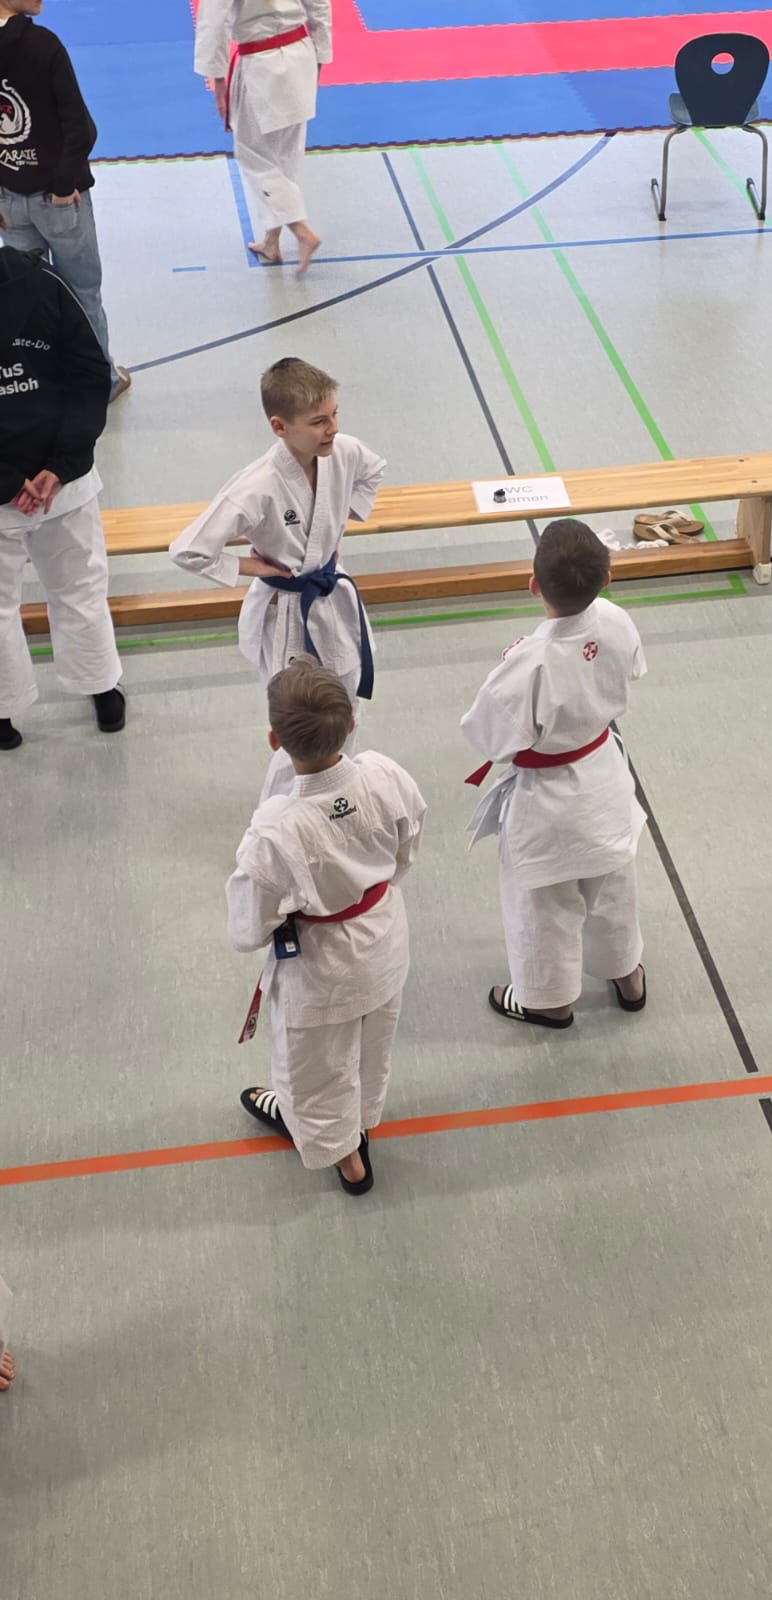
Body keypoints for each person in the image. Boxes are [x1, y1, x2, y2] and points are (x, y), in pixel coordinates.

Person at [227, 658, 426, 1195]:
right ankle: (359, 1122)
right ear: (352, 723)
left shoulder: (275, 828)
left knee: (314, 1067)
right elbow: (408, 847)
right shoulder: (385, 776)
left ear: (274, 740)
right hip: (384, 935)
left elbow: (248, 926)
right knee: (372, 1043)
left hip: (320, 968)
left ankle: (346, 1158)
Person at [461, 518, 647, 1029]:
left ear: (533, 585)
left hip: (547, 805)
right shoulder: (615, 619)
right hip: (604, 778)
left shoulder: (529, 661)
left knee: (544, 906)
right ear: (606, 579)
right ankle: (627, 976)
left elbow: (486, 737)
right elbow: (633, 669)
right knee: (612, 886)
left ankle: (549, 1001)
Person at [169, 356, 384, 797]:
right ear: (279, 426)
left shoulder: (344, 451)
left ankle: (336, 793)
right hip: (288, 609)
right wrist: (252, 566)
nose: (333, 428)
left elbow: (372, 471)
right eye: (318, 421)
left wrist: (334, 524)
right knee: (298, 722)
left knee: (344, 708)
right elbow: (188, 550)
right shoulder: (257, 484)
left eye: (335, 414)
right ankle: (286, 807)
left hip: (334, 594)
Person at [0, 245, 125, 750]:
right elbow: (91, 373)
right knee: (79, 588)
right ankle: (102, 690)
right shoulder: (44, 281)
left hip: (47, 485)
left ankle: (3, 710)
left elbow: (89, 372)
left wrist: (19, 480)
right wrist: (60, 465)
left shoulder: (45, 282)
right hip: (61, 486)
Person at [0, 0, 129, 399]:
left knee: (29, 297)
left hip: (7, 196)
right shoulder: (43, 46)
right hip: (57, 199)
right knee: (82, 293)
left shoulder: (42, 44)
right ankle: (100, 384)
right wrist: (61, 185)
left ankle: (43, 384)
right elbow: (80, 127)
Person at [194, 0, 332, 274]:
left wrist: (218, 80)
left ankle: (302, 232)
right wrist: (321, 55)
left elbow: (214, 20)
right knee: (284, 157)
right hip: (301, 52)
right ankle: (271, 241)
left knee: (253, 157)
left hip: (262, 64)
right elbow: (319, 4)